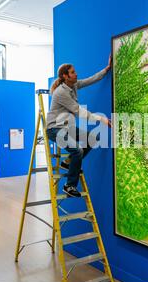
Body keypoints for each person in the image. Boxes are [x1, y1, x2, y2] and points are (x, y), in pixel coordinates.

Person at [46, 56, 112, 198]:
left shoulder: (73, 85)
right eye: (73, 72)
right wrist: (101, 119)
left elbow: (90, 80)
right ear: (65, 76)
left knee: (93, 139)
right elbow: (79, 111)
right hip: (54, 128)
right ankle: (69, 185)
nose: (76, 74)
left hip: (66, 127)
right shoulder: (61, 92)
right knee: (77, 150)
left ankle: (68, 162)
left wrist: (106, 70)